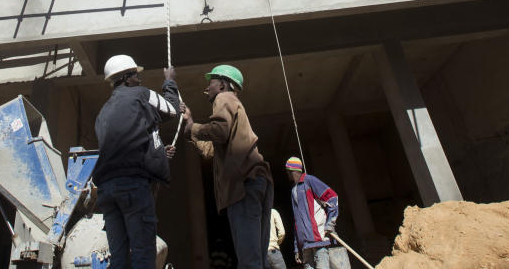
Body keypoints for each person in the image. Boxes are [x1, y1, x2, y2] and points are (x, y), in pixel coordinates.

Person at [182, 64, 273, 269]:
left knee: (250, 261)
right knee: (258, 259)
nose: (208, 87)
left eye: (211, 83)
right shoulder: (235, 107)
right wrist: (191, 126)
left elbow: (219, 130)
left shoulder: (223, 99)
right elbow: (211, 150)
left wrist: (193, 128)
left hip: (243, 185)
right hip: (256, 182)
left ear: (222, 84)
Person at [93, 54, 180, 269]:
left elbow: (130, 142)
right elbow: (172, 109)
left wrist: (157, 154)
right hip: (132, 187)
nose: (140, 80)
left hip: (106, 190)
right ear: (126, 77)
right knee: (143, 253)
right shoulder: (140, 94)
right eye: (136, 76)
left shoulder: (103, 112)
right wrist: (169, 81)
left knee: (119, 258)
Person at [285, 157, 339, 269]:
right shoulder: (293, 190)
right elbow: (297, 221)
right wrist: (297, 247)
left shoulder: (310, 181)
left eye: (287, 171)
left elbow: (332, 197)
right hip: (305, 246)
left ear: (291, 171)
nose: (287, 174)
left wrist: (330, 223)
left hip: (319, 241)